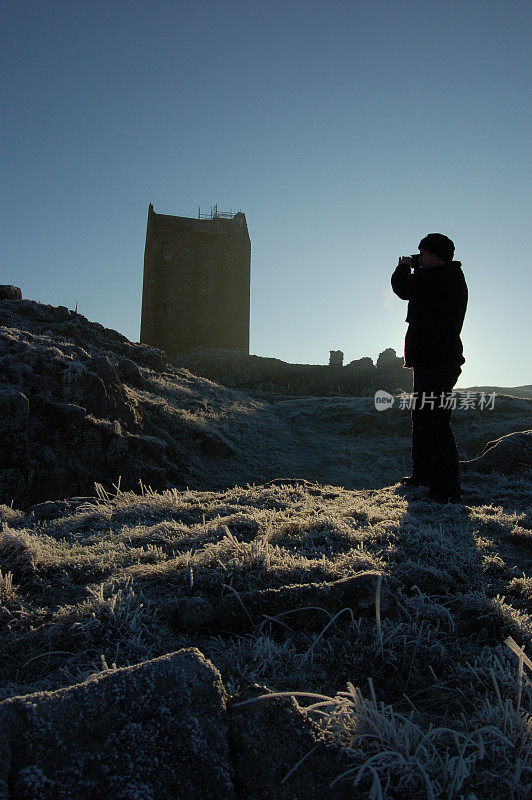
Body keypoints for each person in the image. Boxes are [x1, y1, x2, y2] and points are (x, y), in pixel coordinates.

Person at [391, 233, 468, 503]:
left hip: (438, 361)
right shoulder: (442, 275)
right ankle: (422, 475)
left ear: (436, 255)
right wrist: (417, 265)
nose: (419, 258)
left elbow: (403, 289)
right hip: (430, 360)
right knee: (423, 419)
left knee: (435, 422)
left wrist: (404, 265)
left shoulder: (443, 276)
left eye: (422, 253)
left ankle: (446, 490)